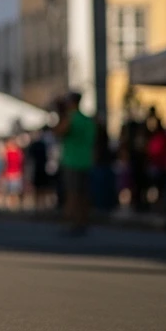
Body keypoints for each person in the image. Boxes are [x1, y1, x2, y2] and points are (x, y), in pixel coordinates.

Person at [54, 92, 93, 235]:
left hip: (72, 161)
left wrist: (60, 113)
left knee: (72, 194)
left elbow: (58, 132)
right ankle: (83, 221)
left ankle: (71, 222)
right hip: (86, 161)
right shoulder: (87, 120)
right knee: (83, 194)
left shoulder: (71, 118)